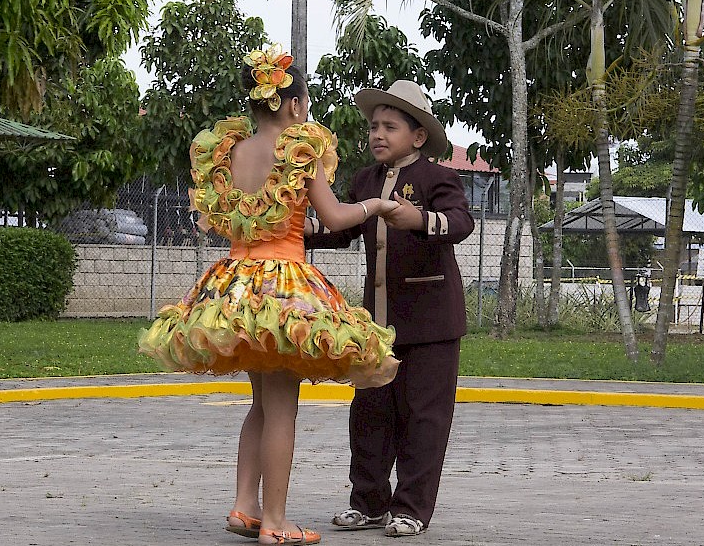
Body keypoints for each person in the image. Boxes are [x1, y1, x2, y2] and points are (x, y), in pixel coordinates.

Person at [138, 44, 401, 546]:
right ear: (296, 106)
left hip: (236, 284)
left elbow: (217, 220)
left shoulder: (231, 151)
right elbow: (335, 217)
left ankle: (245, 506)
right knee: (282, 408)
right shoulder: (300, 148)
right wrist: (375, 206)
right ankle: (276, 523)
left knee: (260, 404)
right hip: (284, 288)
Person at [305, 80, 474, 537]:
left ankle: (412, 509)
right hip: (374, 325)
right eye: (374, 126)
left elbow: (461, 222)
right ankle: (370, 502)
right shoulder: (364, 180)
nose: (377, 134)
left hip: (432, 324)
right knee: (370, 413)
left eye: (390, 126)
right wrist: (290, 227)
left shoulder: (440, 179)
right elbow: (338, 231)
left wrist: (418, 219)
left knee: (424, 418)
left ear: (418, 136)